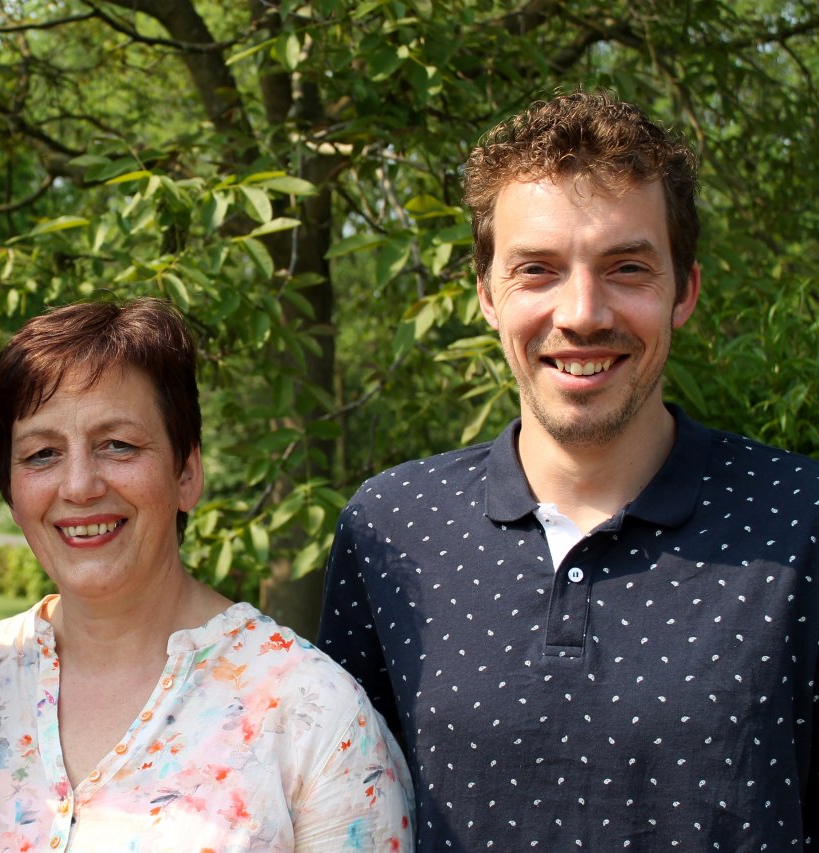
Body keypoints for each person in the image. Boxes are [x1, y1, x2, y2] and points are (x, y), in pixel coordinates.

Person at [317, 89, 819, 850]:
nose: (583, 312)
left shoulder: (800, 520)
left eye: (627, 267)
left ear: (684, 291)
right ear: (488, 295)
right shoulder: (391, 529)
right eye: (538, 270)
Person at [0, 298, 413, 852]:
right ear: (12, 494)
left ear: (187, 474)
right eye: (41, 454)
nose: (79, 486)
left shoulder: (312, 715)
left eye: (118, 445)